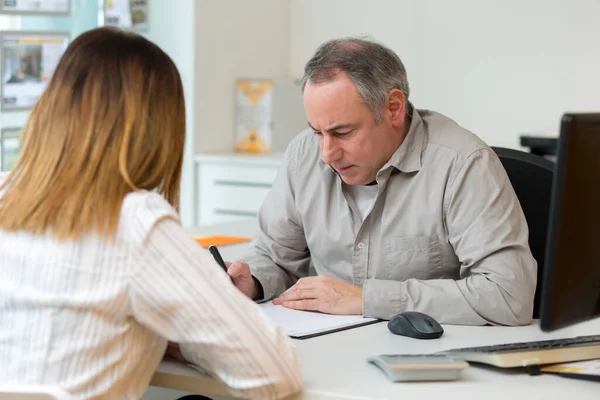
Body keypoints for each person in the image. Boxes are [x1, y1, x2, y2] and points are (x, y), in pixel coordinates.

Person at [0, 27, 302, 400]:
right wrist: (184, 339)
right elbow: (273, 374)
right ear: (159, 128)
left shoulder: (7, 195)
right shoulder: (135, 220)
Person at [226, 37, 537, 326]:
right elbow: (275, 258)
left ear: (393, 108)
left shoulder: (463, 163)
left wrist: (366, 299)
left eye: (342, 133)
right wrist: (251, 282)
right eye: (317, 132)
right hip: (327, 349)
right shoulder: (302, 156)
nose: (326, 154)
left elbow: (509, 296)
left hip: (429, 360)